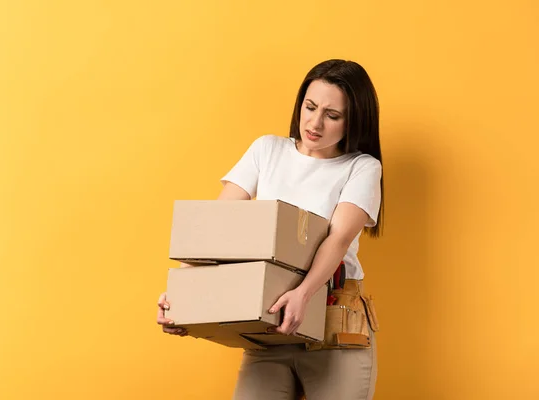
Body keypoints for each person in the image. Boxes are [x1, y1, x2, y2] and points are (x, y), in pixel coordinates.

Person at [157, 59, 384, 400]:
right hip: (269, 326)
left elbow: (337, 239)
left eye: (332, 115)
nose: (315, 122)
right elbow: (217, 229)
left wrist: (303, 293)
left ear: (355, 121)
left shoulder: (362, 167)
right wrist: (184, 298)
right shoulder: (267, 150)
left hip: (334, 325)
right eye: (309, 107)